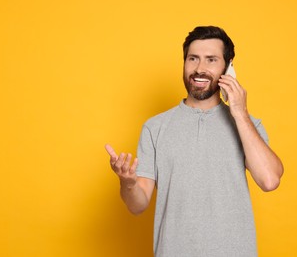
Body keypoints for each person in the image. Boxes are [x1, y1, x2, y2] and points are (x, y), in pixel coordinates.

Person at [105, 26, 284, 257]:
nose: (199, 69)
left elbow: (269, 180)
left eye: (211, 60)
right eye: (193, 59)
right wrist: (128, 184)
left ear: (228, 67)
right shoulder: (155, 127)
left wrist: (239, 112)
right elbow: (137, 205)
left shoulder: (248, 126)